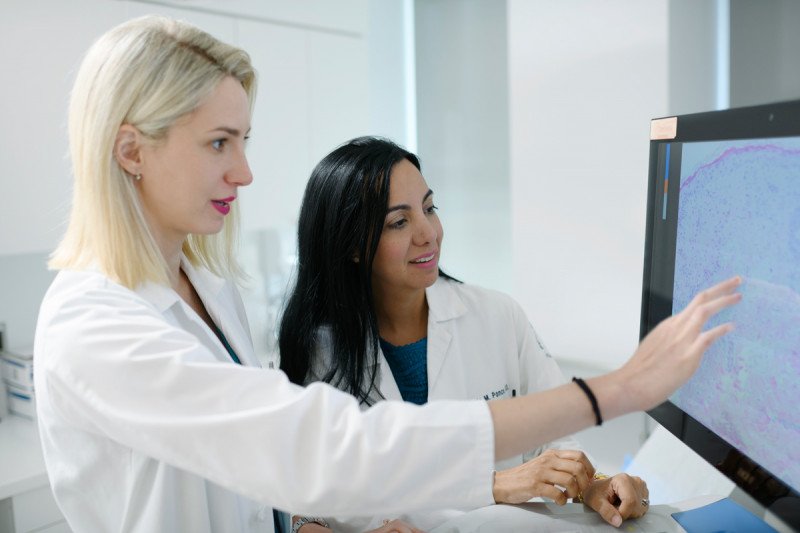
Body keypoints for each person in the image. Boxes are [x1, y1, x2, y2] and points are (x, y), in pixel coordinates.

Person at [34, 15, 740, 533]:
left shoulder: (206, 289)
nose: (245, 171)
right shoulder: (96, 328)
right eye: (219, 142)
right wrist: (615, 390)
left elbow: (259, 480)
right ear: (131, 149)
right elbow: (317, 448)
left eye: (243, 140)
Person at [278, 137, 650, 532]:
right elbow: (302, 506)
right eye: (399, 222)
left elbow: (558, 441)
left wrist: (595, 486)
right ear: (351, 246)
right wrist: (494, 485)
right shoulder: (318, 352)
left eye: (429, 208)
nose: (429, 233)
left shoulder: (496, 317)